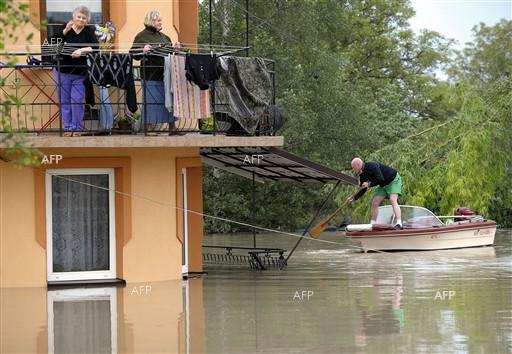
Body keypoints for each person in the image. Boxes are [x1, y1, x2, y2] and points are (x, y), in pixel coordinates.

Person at [52, 6, 98, 137]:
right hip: (62, 71)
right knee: (64, 101)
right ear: (73, 17)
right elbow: (53, 43)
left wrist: (81, 50)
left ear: (87, 20)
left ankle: (76, 128)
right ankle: (68, 128)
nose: (81, 19)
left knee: (77, 100)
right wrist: (65, 30)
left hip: (80, 73)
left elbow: (95, 47)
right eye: (79, 17)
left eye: (84, 18)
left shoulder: (89, 31)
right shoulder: (64, 28)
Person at [130, 11, 175, 135]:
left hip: (166, 74)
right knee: (151, 101)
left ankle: (172, 127)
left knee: (169, 100)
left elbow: (170, 52)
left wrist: (175, 48)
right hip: (150, 74)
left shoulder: (165, 37)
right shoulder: (141, 36)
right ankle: (149, 128)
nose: (161, 22)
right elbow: (133, 53)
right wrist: (142, 49)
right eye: (158, 20)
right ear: (151, 21)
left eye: (161, 20)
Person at [347, 157, 403, 229]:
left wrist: (369, 184)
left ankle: (399, 223)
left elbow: (380, 178)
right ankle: (372, 224)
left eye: (353, 167)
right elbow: (362, 189)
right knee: (374, 202)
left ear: (358, 165)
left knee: (392, 200)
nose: (353, 170)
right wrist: (353, 198)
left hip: (393, 180)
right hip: (383, 184)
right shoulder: (362, 175)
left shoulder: (372, 166)